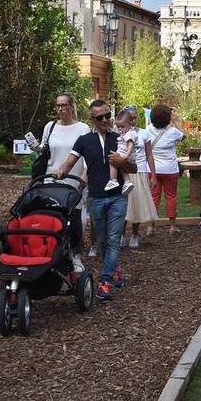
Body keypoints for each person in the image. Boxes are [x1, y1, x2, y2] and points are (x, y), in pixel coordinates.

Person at [52, 100, 134, 301]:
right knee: (103, 240)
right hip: (96, 197)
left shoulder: (120, 138)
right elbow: (70, 162)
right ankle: (114, 271)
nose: (105, 120)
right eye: (100, 117)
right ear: (92, 120)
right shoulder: (84, 140)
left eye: (108, 115)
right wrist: (60, 171)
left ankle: (104, 282)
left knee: (114, 240)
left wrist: (123, 161)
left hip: (117, 198)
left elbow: (134, 167)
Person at [41, 92, 90, 271]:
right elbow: (44, 150)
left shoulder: (82, 129)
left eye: (63, 105)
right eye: (58, 105)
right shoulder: (50, 126)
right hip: (50, 179)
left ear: (71, 107)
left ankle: (76, 255)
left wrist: (83, 179)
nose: (60, 109)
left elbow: (87, 156)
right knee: (52, 215)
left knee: (74, 217)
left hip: (73, 180)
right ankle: (52, 251)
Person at [147, 104, 186, 233]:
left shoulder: (147, 131)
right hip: (170, 170)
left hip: (152, 170)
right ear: (168, 118)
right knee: (171, 196)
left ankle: (151, 226)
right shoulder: (173, 132)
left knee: (153, 197)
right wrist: (175, 122)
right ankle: (172, 226)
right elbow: (183, 136)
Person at [122, 106, 157, 247]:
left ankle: (135, 235)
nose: (133, 120)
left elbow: (149, 154)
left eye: (135, 117)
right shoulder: (120, 133)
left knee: (137, 205)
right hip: (125, 172)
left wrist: (153, 175)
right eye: (130, 117)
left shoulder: (144, 134)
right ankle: (121, 235)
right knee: (123, 205)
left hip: (140, 171)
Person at [104, 107, 136, 196]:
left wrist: (127, 154)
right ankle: (127, 182)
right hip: (127, 155)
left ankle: (113, 180)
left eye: (122, 126)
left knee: (112, 162)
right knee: (122, 168)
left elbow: (130, 144)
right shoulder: (128, 132)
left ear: (130, 123)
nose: (120, 129)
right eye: (118, 127)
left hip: (125, 153)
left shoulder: (129, 134)